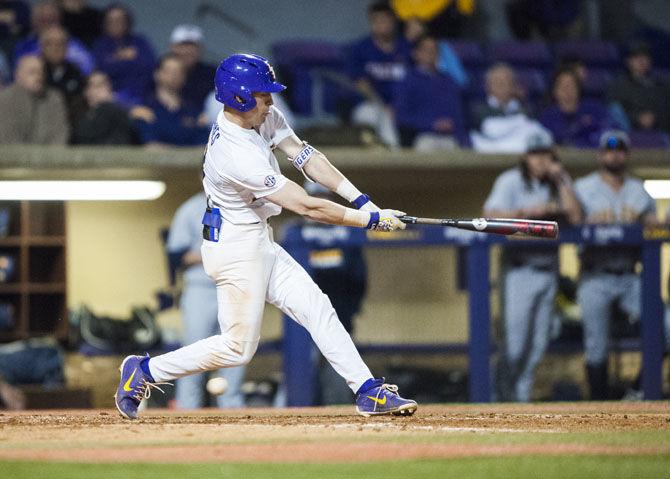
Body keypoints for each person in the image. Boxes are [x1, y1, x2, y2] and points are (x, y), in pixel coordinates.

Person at [114, 53, 417, 419]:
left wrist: (363, 201)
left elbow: (306, 157)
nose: (271, 100)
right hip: (234, 249)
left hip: (258, 238)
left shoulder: (264, 116)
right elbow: (306, 206)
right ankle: (143, 372)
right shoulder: (234, 153)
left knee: (316, 307)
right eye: (262, 94)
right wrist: (369, 221)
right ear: (239, 98)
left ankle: (367, 391)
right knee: (238, 348)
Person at [484, 131, 581, 402]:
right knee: (514, 346)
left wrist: (561, 179)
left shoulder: (558, 182)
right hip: (518, 270)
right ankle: (495, 399)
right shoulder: (510, 181)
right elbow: (489, 214)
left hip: (548, 270)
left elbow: (575, 215)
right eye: (534, 155)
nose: (540, 160)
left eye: (545, 154)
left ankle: (520, 405)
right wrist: (528, 213)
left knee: (538, 346)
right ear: (526, 157)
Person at [574, 130, 658, 400]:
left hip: (629, 275)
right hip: (595, 274)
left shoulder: (640, 190)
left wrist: (648, 222)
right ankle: (598, 408)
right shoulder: (583, 187)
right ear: (600, 155)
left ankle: (637, 390)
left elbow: (655, 226)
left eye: (620, 149)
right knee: (596, 346)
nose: (614, 154)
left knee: (665, 325)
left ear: (627, 154)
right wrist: (588, 222)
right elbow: (571, 221)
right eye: (609, 150)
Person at [166, 192, 246, 409]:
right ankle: (187, 407)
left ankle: (233, 408)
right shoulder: (191, 208)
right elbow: (176, 255)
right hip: (200, 288)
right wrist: (213, 251)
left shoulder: (240, 205)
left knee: (236, 350)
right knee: (193, 350)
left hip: (233, 286)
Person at [299, 181, 368, 405]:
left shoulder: (347, 233)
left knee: (337, 381)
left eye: (323, 197)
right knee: (300, 378)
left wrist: (352, 309)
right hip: (300, 321)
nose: (320, 203)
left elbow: (359, 277)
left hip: (339, 316)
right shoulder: (295, 232)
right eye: (314, 198)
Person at [348, 1, 411, 148]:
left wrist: (397, 106)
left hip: (403, 106)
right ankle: (392, 159)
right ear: (371, 23)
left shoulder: (406, 49)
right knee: (372, 116)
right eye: (377, 20)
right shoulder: (360, 49)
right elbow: (361, 84)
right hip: (370, 105)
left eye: (385, 20)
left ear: (393, 22)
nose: (381, 25)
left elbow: (415, 83)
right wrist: (383, 107)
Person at [393, 34, 466, 151]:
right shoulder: (407, 81)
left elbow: (458, 115)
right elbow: (402, 117)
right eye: (426, 50)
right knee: (427, 146)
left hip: (451, 138)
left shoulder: (449, 81)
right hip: (423, 137)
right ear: (416, 53)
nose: (430, 53)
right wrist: (432, 125)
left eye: (434, 50)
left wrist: (461, 138)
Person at [132, 54, 209, 147]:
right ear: (157, 74)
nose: (174, 76)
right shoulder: (145, 111)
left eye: (179, 72)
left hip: (193, 161)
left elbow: (203, 146)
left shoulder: (193, 112)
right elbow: (151, 146)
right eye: (169, 71)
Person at [470, 62, 548, 153]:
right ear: (488, 86)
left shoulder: (528, 110)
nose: (501, 85)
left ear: (513, 85)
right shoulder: (477, 112)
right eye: (497, 81)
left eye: (505, 81)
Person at [92, 3, 156, 106]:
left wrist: (115, 60)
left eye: (120, 20)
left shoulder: (140, 42)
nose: (115, 24)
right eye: (111, 21)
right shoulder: (100, 45)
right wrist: (128, 59)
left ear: (127, 22)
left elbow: (149, 66)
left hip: (144, 94)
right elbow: (103, 68)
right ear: (105, 23)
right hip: (112, 97)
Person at [0, 54, 69, 144]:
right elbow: (7, 137)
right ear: (18, 75)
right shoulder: (5, 99)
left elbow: (60, 134)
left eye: (41, 72)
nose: (38, 77)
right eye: (32, 72)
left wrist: (49, 156)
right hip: (13, 156)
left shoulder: (54, 99)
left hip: (49, 157)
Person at [540, 67, 615, 148]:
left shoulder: (594, 109)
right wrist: (579, 127)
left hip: (596, 156)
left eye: (572, 86)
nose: (568, 91)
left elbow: (613, 135)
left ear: (578, 88)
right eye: (563, 87)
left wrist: (610, 144)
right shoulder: (548, 117)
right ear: (555, 91)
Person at [13, 0, 94, 75]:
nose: (47, 24)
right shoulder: (23, 46)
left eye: (51, 19)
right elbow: (18, 72)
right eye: (42, 19)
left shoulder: (73, 45)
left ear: (59, 21)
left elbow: (87, 69)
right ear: (33, 21)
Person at [607, 41, 670, 133]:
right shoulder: (617, 85)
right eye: (636, 57)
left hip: (661, 133)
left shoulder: (662, 85)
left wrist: (656, 117)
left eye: (645, 56)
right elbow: (613, 112)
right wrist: (637, 118)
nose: (641, 60)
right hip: (631, 134)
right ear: (628, 61)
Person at [71, 70, 134, 145]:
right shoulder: (80, 112)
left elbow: (126, 133)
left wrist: (108, 105)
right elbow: (83, 136)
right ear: (87, 91)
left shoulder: (118, 110)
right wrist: (104, 105)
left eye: (105, 84)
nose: (102, 89)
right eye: (97, 86)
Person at [39, 25, 84, 123]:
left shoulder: (75, 71)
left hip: (69, 122)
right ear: (42, 47)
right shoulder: (35, 71)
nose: (55, 48)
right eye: (49, 44)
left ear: (67, 47)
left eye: (60, 44)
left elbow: (79, 104)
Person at [169, 24, 217, 112]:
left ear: (201, 49)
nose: (188, 51)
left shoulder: (212, 73)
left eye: (193, 46)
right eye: (183, 46)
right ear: (173, 48)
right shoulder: (160, 71)